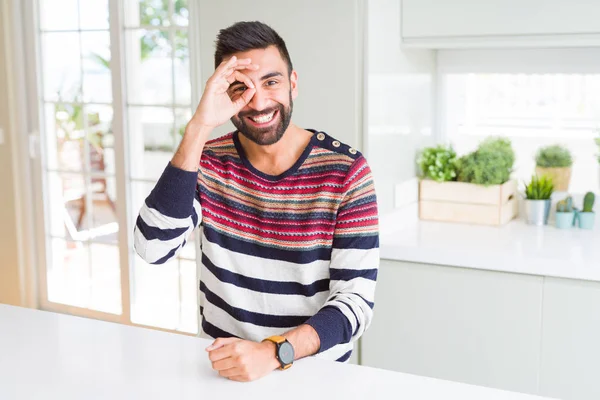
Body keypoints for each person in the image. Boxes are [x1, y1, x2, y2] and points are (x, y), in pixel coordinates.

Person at [134, 21, 379, 382]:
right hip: (222, 372)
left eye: (271, 81)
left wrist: (274, 352)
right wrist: (199, 128)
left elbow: (355, 303)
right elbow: (152, 247)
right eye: (241, 88)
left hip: (314, 376)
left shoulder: (346, 172)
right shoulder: (207, 161)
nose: (260, 102)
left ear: (293, 83)